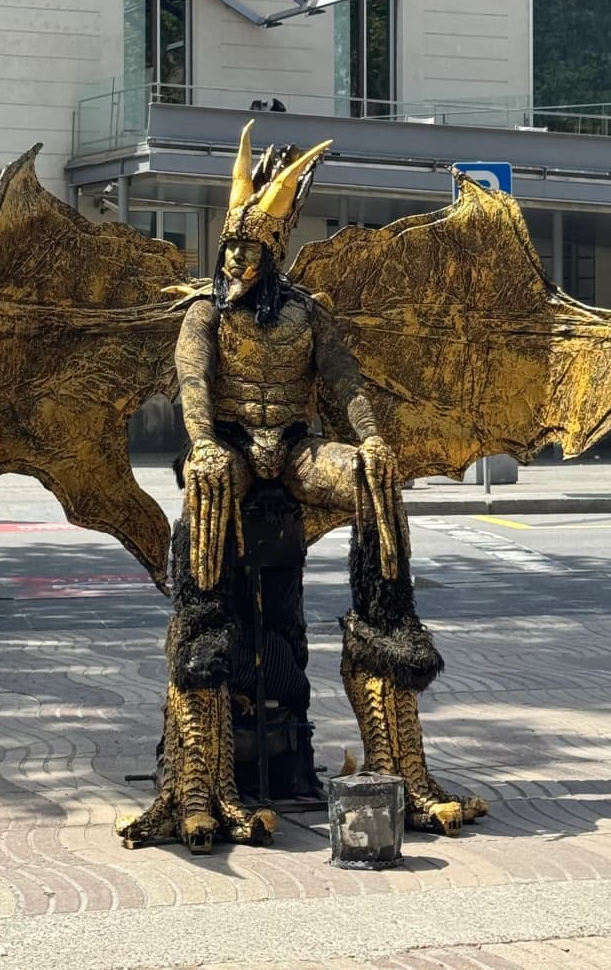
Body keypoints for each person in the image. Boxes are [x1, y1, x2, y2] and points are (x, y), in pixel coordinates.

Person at [117, 121, 486, 853]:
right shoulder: (203, 311)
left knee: (379, 488)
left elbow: (346, 385)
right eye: (228, 248)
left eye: (246, 250)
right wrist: (200, 445)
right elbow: (192, 383)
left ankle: (397, 757)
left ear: (272, 252)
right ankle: (199, 777)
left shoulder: (309, 314)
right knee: (205, 519)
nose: (233, 260)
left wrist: (373, 440)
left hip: (293, 446)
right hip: (226, 449)